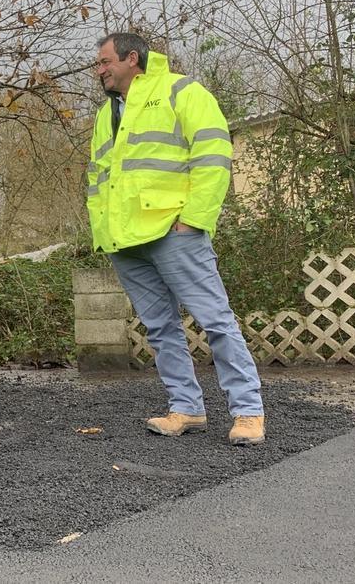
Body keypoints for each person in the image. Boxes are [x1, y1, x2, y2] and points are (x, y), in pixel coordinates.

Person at [88, 32, 265, 445]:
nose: (99, 70)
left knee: (216, 321)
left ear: (132, 58)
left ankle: (248, 412)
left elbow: (214, 155)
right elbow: (98, 178)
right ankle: (186, 408)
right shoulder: (106, 114)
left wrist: (194, 219)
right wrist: (103, 230)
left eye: (104, 61)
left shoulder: (181, 90)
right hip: (125, 241)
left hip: (174, 232)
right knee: (160, 329)